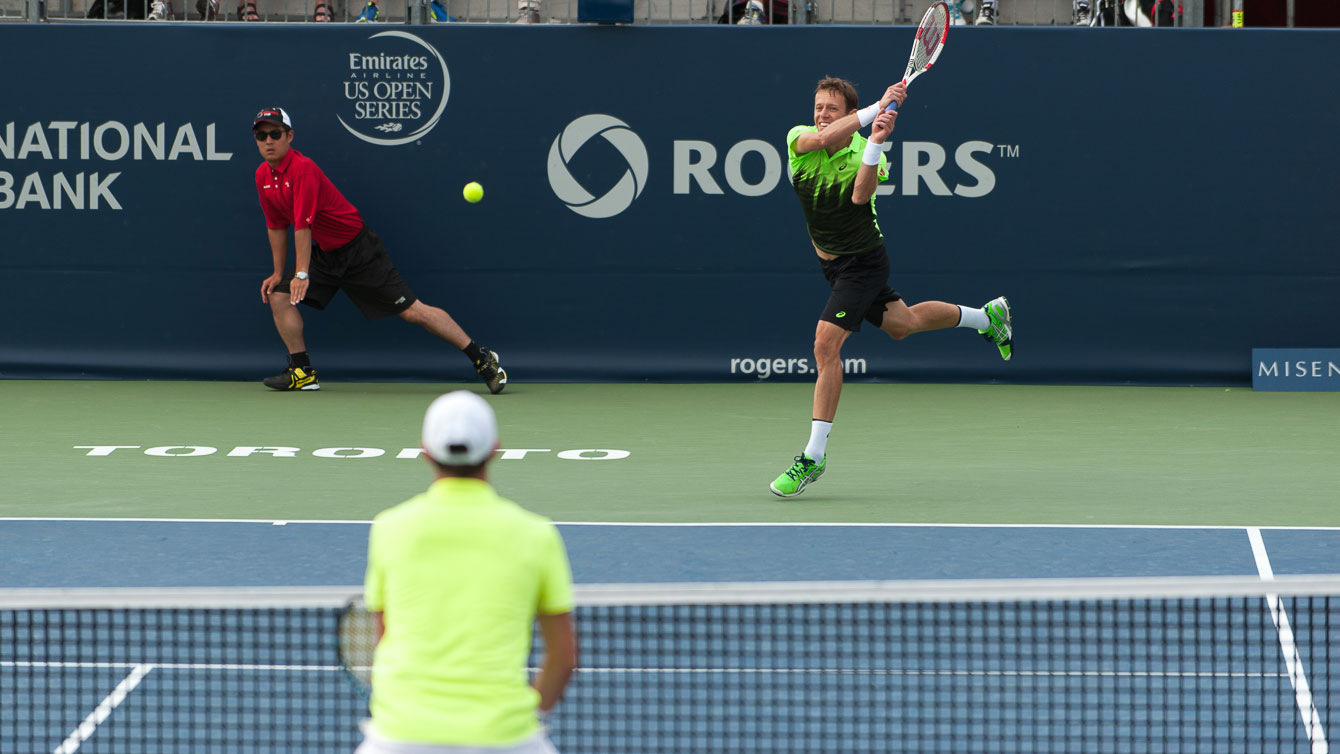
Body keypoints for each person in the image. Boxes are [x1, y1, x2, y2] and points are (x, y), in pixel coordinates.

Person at [769, 77, 1012, 498]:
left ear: (847, 114)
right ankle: (986, 318)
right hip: (832, 265)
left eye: (831, 108)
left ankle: (813, 455)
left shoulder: (867, 150)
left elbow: (861, 196)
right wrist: (877, 107)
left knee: (825, 346)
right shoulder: (799, 138)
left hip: (863, 262)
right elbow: (819, 139)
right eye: (818, 107)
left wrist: (876, 139)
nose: (821, 114)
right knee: (904, 323)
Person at [358, 390, 578, 754]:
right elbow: (563, 656)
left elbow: (386, 636)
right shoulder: (536, 534)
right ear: (495, 448)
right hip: (506, 740)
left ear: (425, 450)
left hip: (400, 738)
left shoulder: (389, 528)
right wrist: (525, 715)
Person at [251, 107, 507, 393]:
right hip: (325, 253)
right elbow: (275, 226)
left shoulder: (303, 169)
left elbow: (302, 225)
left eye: (275, 134)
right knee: (279, 295)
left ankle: (481, 358)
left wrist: (300, 272)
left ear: (290, 136)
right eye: (261, 135)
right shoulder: (263, 175)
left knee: (413, 312)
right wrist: (277, 273)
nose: (268, 141)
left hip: (359, 251)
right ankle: (302, 371)